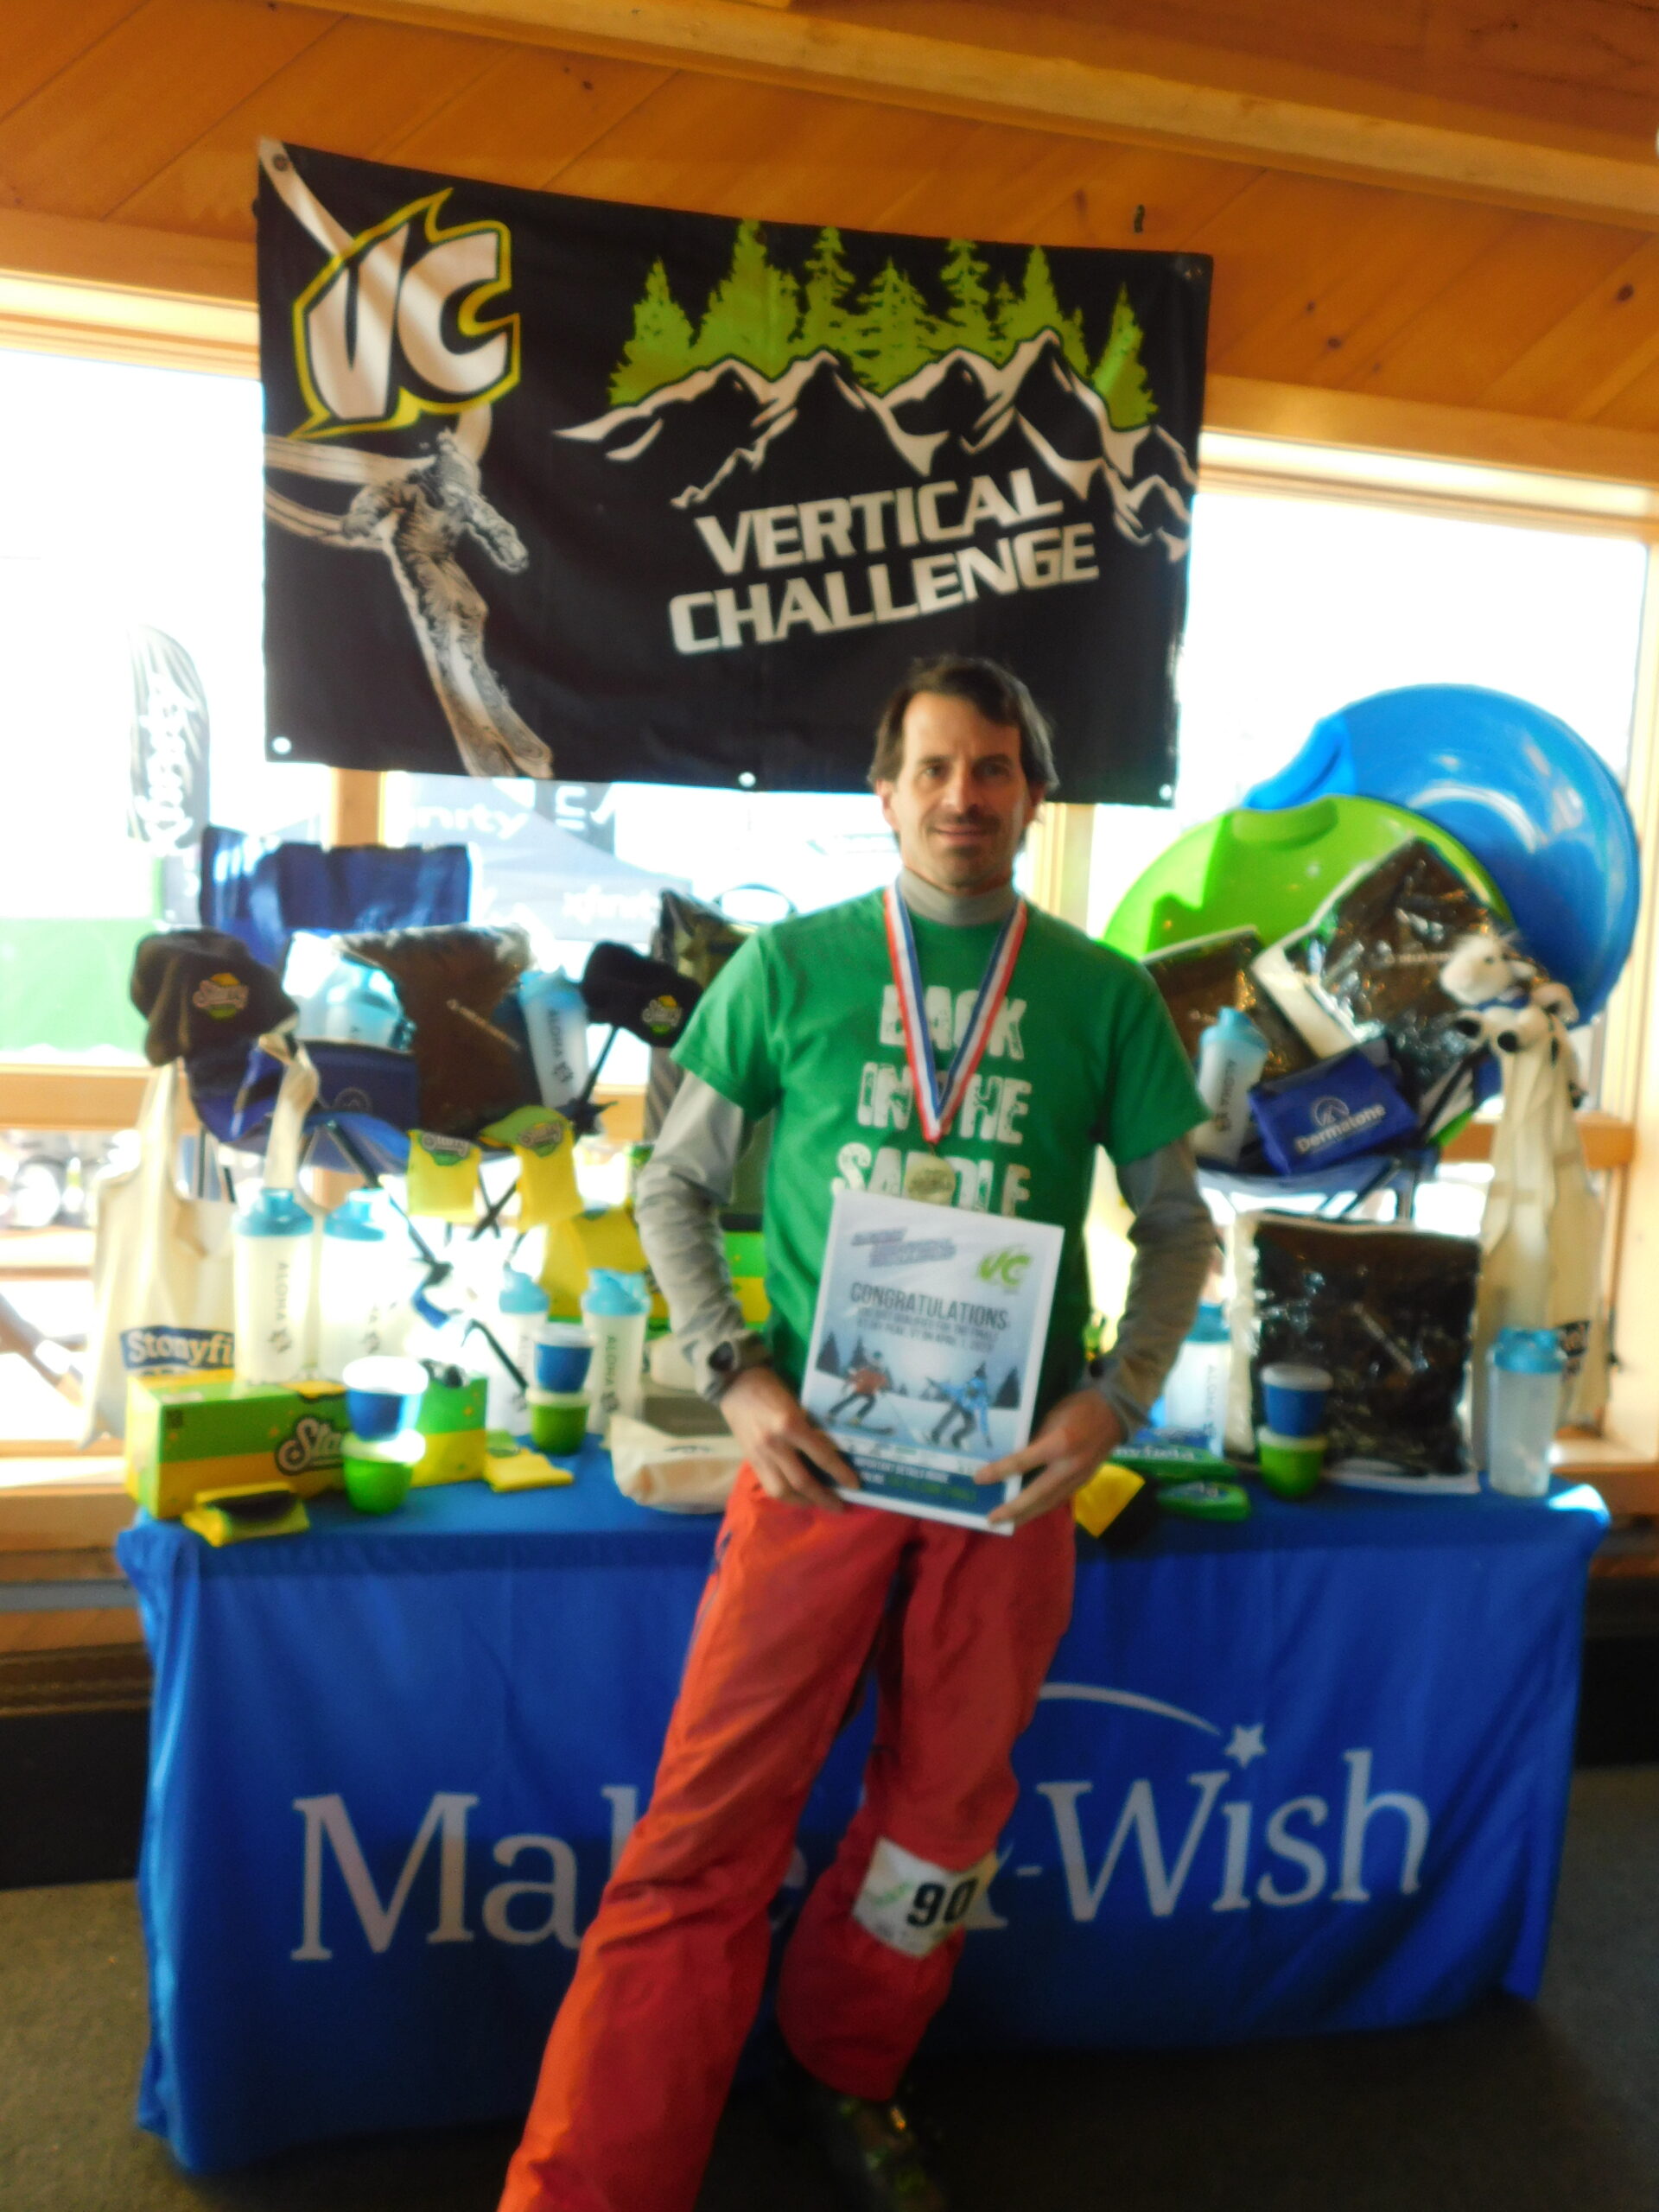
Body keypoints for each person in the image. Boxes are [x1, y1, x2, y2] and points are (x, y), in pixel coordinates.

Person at [499, 656, 1217, 2212]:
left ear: (1033, 794)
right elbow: (671, 1183)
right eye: (935, 768)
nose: (965, 796)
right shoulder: (793, 968)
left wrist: (1116, 1400)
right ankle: (592, 2184)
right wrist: (733, 1372)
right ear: (885, 793)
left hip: (1012, 1480)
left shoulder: (1102, 994)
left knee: (941, 1825)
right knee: (710, 1821)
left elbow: (1179, 1230)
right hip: (816, 1461)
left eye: (995, 768)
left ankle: (850, 2070)